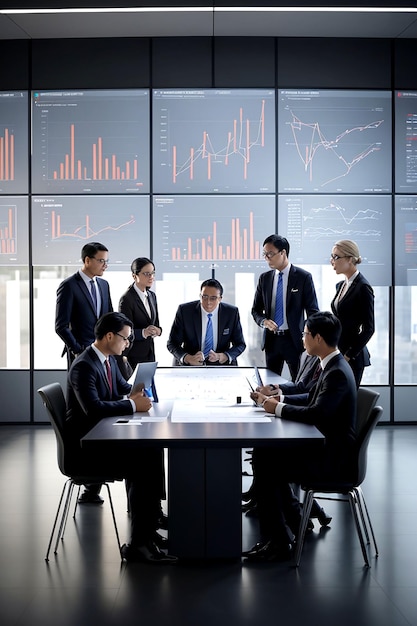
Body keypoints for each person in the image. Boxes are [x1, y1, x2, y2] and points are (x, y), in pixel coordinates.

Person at [65, 311, 177, 564]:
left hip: (104, 436)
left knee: (152, 450)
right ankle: (138, 544)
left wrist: (138, 390)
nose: (128, 344)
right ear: (108, 336)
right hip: (87, 449)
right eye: (125, 339)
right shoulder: (84, 366)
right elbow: (93, 408)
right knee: (142, 463)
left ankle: (149, 528)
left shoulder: (108, 360)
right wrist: (131, 406)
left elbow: (122, 389)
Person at [245, 311, 357, 562]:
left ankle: (278, 541)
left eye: (306, 334)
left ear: (318, 338)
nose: (302, 338)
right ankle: (294, 524)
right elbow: (312, 398)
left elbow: (317, 413)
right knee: (266, 455)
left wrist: (277, 408)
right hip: (327, 448)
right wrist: (278, 399)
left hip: (333, 459)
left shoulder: (336, 371)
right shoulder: (332, 364)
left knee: (266, 461)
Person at [251, 234, 319, 380]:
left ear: (283, 253)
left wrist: (305, 335)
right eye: (265, 254)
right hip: (272, 341)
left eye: (270, 254)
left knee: (299, 381)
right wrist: (264, 322)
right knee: (270, 382)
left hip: (294, 340)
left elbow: (313, 312)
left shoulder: (303, 277)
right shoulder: (265, 278)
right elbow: (255, 310)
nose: (267, 258)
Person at [55, 242, 112, 368]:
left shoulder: (104, 285)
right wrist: (78, 350)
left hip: (103, 353)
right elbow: (61, 326)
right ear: (87, 260)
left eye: (107, 261)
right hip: (81, 354)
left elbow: (109, 318)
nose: (105, 265)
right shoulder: (69, 286)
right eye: (101, 261)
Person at [167, 278, 246, 366]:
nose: (208, 302)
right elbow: (172, 343)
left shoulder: (231, 313)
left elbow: (240, 344)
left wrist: (225, 356)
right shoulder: (185, 311)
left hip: (222, 365)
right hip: (192, 365)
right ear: (200, 296)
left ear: (220, 298)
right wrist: (188, 358)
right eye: (205, 297)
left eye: (213, 298)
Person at [330, 239, 375, 387]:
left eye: (336, 257)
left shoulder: (363, 287)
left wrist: (348, 355)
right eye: (332, 256)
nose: (332, 261)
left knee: (346, 404)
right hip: (338, 352)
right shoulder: (341, 285)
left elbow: (369, 328)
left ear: (350, 259)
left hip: (352, 357)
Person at [118, 257, 162, 370]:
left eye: (153, 273)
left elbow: (156, 323)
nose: (151, 277)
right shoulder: (127, 299)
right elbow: (124, 333)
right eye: (147, 273)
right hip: (133, 355)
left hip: (149, 354)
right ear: (134, 276)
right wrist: (143, 332)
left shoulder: (152, 296)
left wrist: (158, 330)